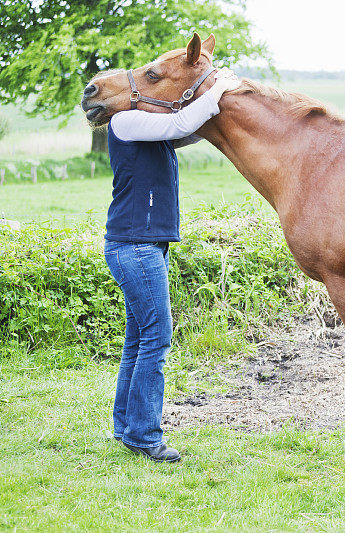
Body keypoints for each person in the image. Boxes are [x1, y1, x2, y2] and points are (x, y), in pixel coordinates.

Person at [103, 67, 240, 462]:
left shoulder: (148, 130)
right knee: (156, 340)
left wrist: (213, 101)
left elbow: (188, 129)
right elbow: (182, 120)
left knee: (138, 341)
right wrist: (221, 86)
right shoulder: (126, 120)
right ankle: (145, 435)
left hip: (142, 245)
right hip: (137, 246)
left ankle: (126, 426)